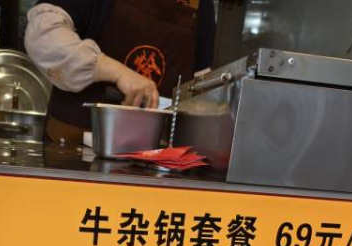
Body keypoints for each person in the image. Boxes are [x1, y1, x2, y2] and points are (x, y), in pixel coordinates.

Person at [24, 0, 215, 143]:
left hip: (155, 164)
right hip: (73, 154)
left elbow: (203, 86)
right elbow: (43, 36)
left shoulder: (199, 4)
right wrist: (117, 72)